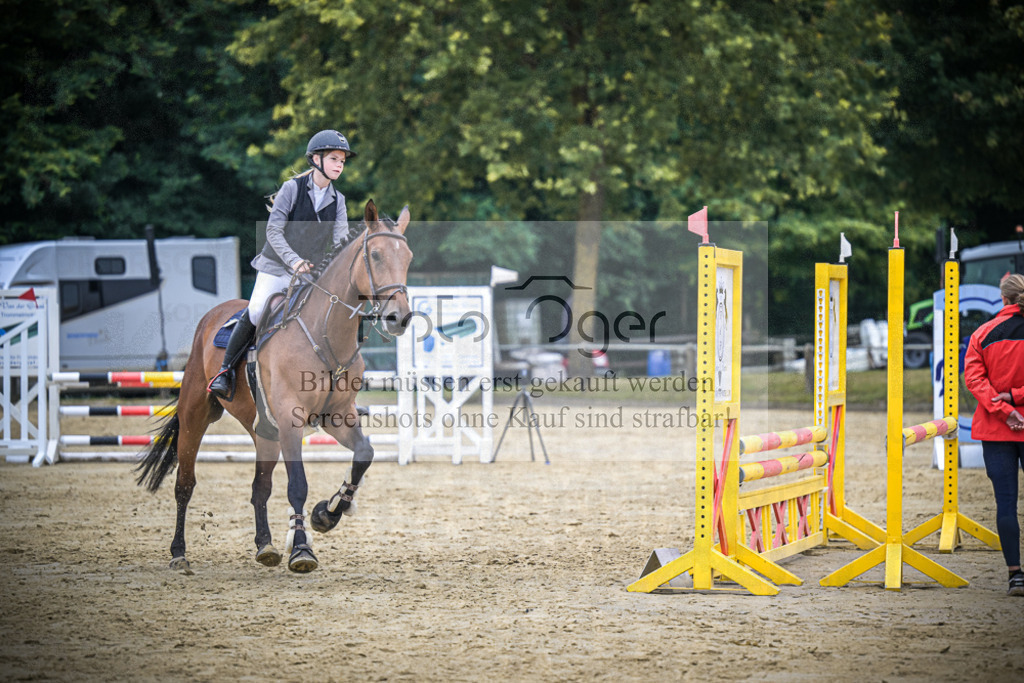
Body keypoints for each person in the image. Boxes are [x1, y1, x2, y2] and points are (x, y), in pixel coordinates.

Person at [208, 129, 358, 400]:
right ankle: (225, 371)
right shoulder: (292, 189)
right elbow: (273, 232)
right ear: (316, 159)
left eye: (343, 161)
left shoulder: (339, 201)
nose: (339, 165)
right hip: (277, 267)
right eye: (334, 158)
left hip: (310, 274)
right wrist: (295, 261)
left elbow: (340, 242)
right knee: (255, 310)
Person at [963, 273, 1024, 596]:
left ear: (1002, 298)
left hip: (997, 428)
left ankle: (1015, 575)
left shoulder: (982, 334)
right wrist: (1017, 397)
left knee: (1005, 504)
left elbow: (974, 381)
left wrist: (1006, 408)